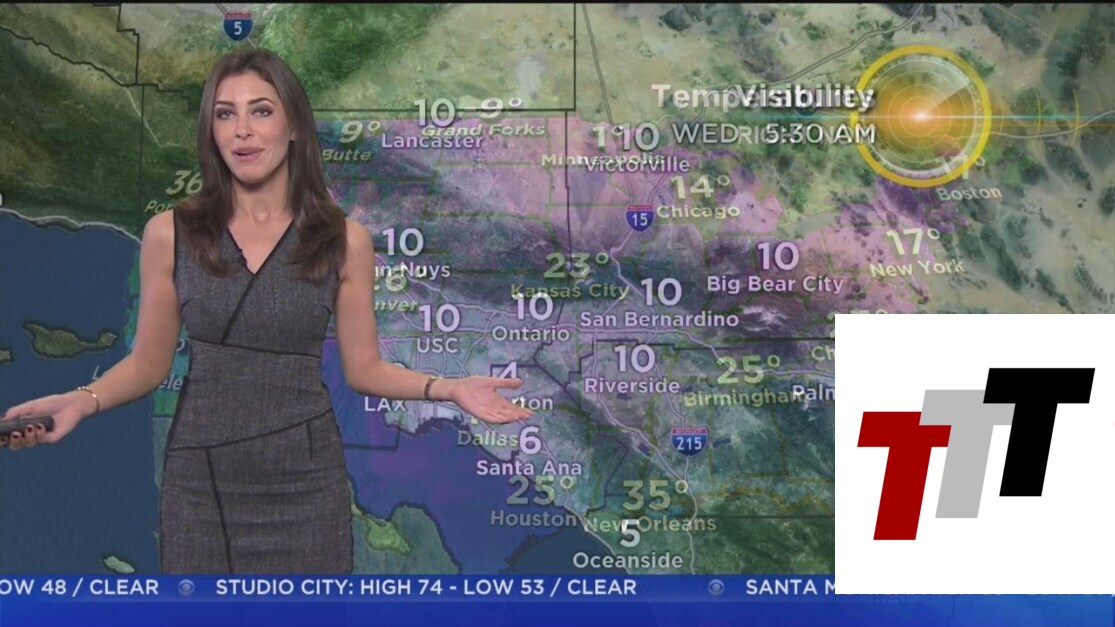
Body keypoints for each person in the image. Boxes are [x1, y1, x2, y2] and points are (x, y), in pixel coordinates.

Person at [0, 48, 531, 573]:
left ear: (294, 125)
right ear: (211, 131)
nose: (242, 131)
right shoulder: (170, 233)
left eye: (261, 110)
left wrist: (450, 389)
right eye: (225, 114)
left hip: (307, 487)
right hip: (201, 486)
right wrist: (79, 401)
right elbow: (147, 364)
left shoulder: (344, 240)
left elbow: (365, 369)